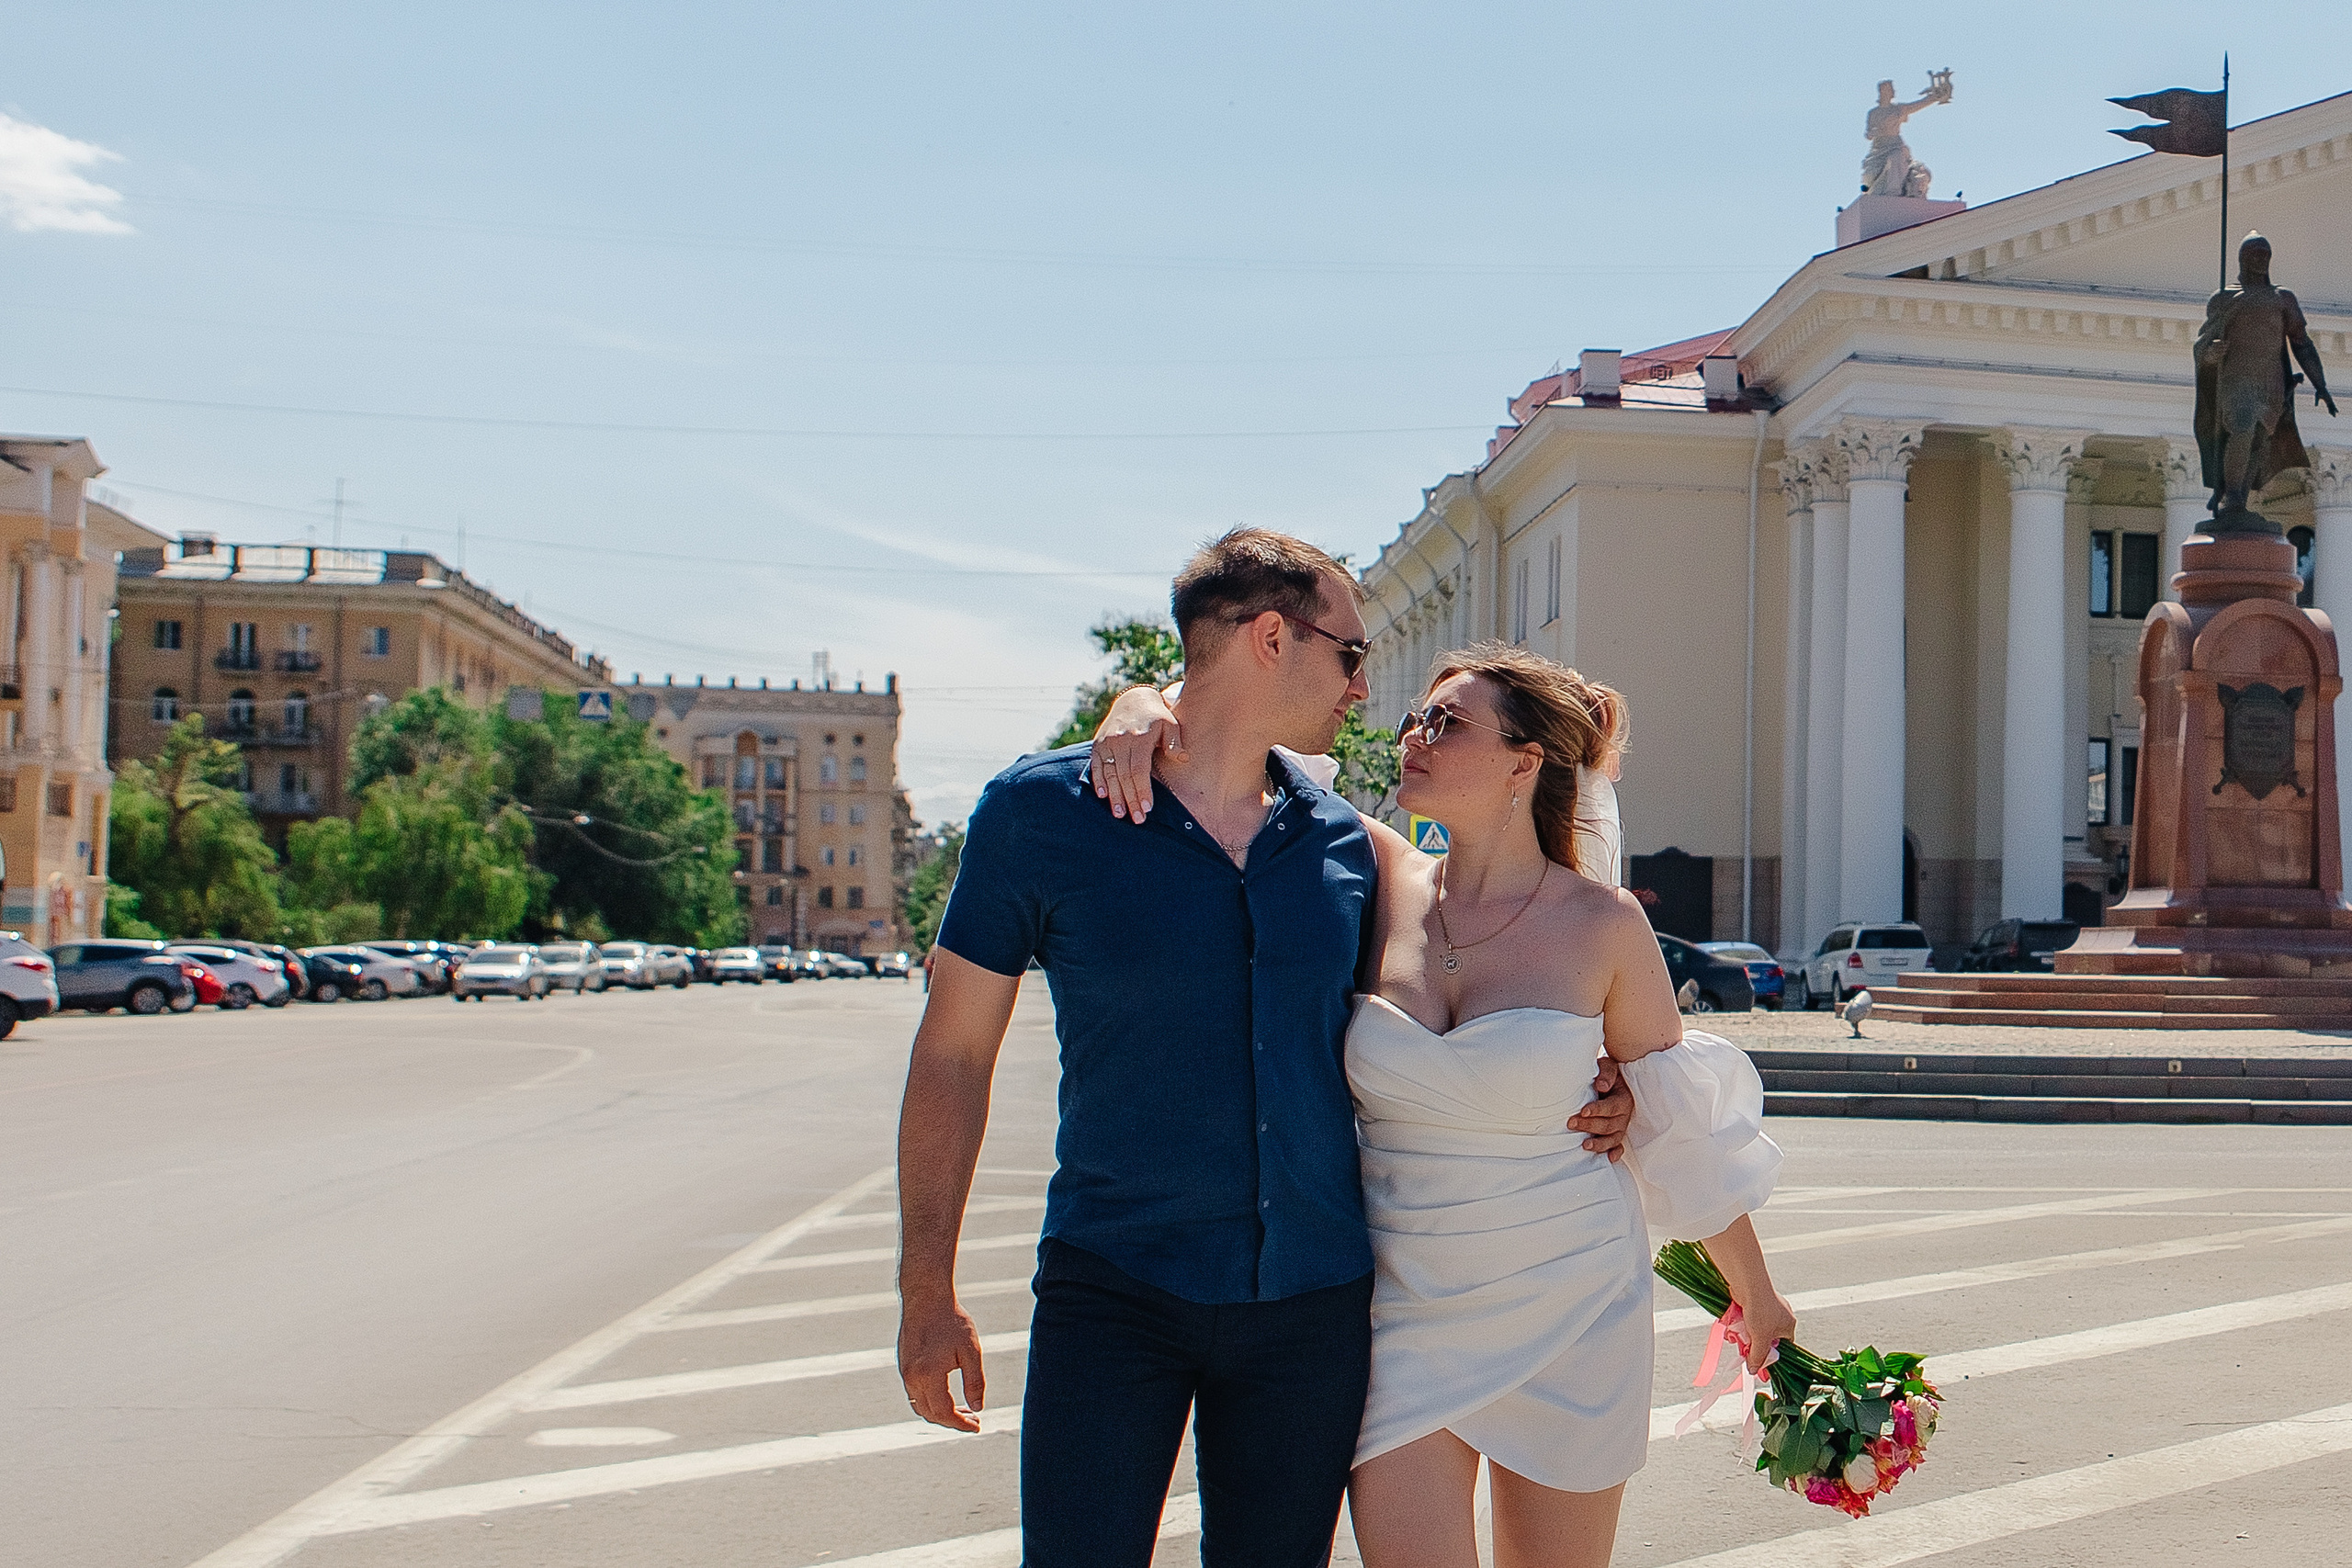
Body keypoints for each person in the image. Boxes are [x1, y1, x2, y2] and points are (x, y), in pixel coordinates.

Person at [895, 529, 1634, 1568]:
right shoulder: (1039, 815)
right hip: (1115, 1288)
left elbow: (1492, 959)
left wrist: (1609, 1084)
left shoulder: (1349, 846)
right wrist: (925, 1287)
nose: (1363, 685)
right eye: (1348, 652)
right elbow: (952, 1056)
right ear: (1273, 638)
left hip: (1311, 1308)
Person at [1094, 645, 1792, 1568]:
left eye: (1446, 723)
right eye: (1417, 717)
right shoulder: (1370, 874)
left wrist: (1758, 1299)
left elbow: (1675, 1127)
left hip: (1571, 1311)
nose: (1411, 737)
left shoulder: (1604, 924)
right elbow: (1247, 756)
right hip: (1400, 1313)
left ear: (1524, 762)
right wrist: (1141, 702)